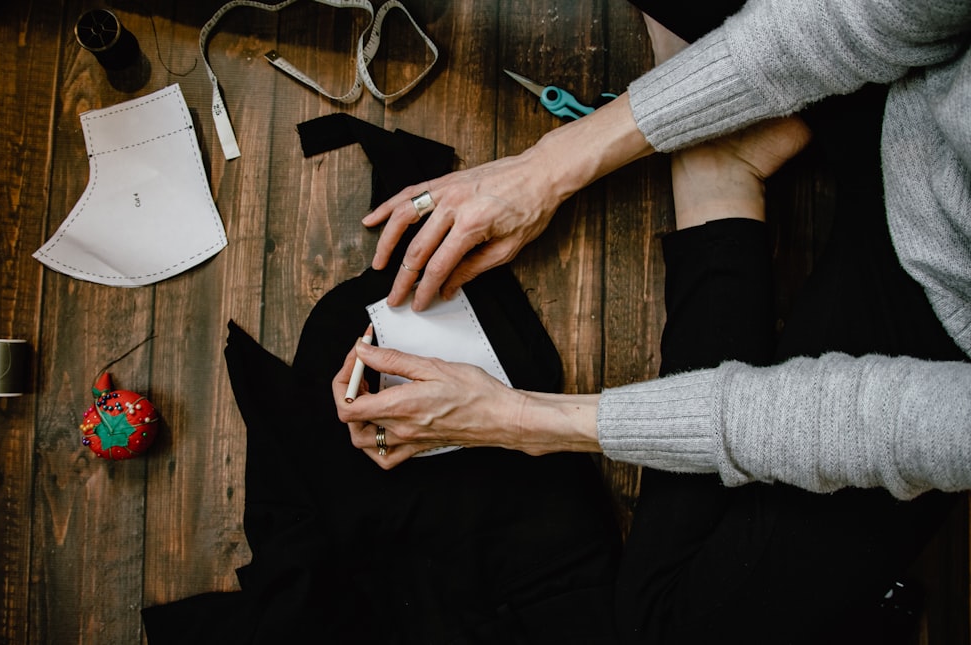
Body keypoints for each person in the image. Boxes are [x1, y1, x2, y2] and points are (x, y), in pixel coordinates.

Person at [334, 0, 971, 641]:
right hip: (912, 86)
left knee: (668, 626)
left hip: (934, 333)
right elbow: (859, 18)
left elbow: (838, 421)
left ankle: (718, 171)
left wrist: (520, 420)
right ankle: (723, 132)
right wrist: (542, 170)